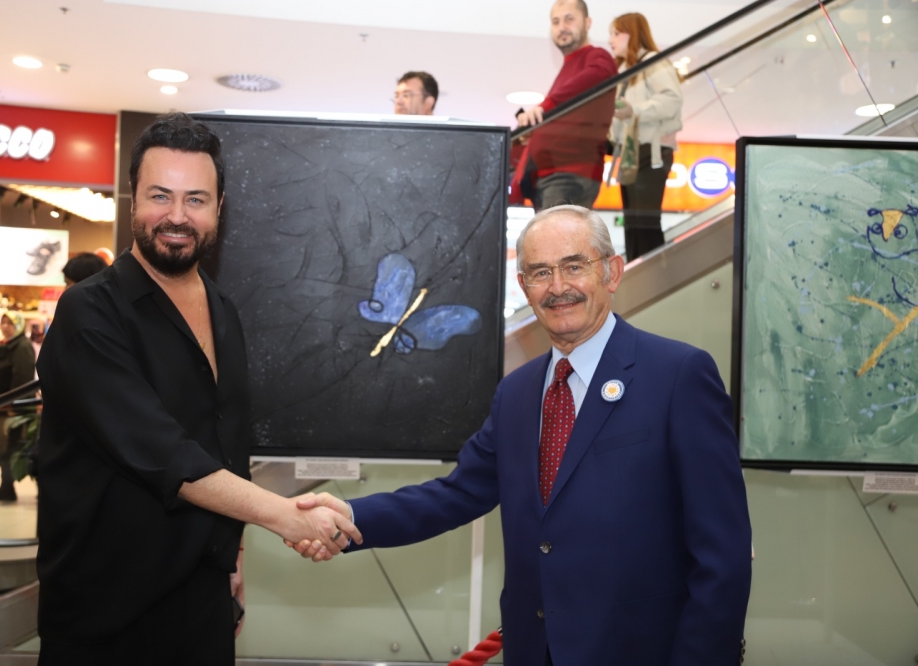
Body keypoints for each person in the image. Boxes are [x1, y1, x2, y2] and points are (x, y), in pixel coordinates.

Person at [296, 205, 752, 665]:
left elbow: (724, 554)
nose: (558, 287)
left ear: (612, 272)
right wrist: (348, 517)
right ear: (524, 286)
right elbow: (455, 495)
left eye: (574, 266)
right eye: (540, 272)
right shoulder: (516, 393)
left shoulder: (678, 375)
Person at [35, 112, 362, 665]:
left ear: (219, 207)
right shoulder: (87, 313)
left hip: (202, 597)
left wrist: (233, 556)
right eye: (160, 196)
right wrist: (285, 516)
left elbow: (226, 444)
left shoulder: (222, 308)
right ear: (133, 199)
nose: (177, 216)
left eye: (196, 200)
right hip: (104, 609)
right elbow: (163, 453)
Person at [512, 0, 618, 211]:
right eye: (556, 22)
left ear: (587, 23)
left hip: (569, 173)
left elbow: (599, 73)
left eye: (569, 19)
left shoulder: (597, 56)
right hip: (552, 174)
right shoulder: (570, 66)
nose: (562, 27)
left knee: (557, 233)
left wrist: (547, 105)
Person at [608, 12, 683, 261]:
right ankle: (639, 274)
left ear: (632, 33)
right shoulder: (626, 71)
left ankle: (652, 278)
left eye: (616, 33)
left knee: (645, 224)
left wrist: (635, 111)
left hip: (651, 152)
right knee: (634, 225)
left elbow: (672, 100)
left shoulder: (652, 62)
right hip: (632, 153)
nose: (610, 39)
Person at [0, 312, 36, 501]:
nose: (5, 326)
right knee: (5, 448)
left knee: (13, 449)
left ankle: (9, 487)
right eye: (3, 322)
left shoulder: (21, 347)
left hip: (14, 411)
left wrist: (15, 406)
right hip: (2, 409)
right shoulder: (5, 346)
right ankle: (6, 487)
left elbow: (22, 379)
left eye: (10, 323)